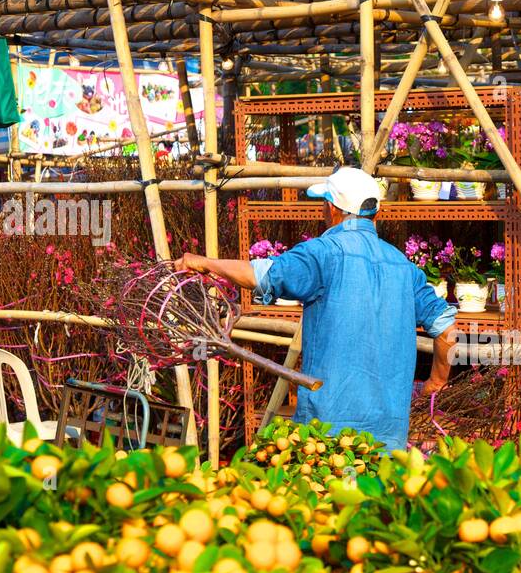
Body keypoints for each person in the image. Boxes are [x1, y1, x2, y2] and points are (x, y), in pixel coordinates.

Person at [178, 166, 458, 450]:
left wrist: (205, 263)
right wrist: (435, 383)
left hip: (328, 438)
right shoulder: (403, 266)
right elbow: (447, 331)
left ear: (331, 209)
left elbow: (261, 275)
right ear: (376, 213)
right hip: (388, 438)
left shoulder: (324, 252)